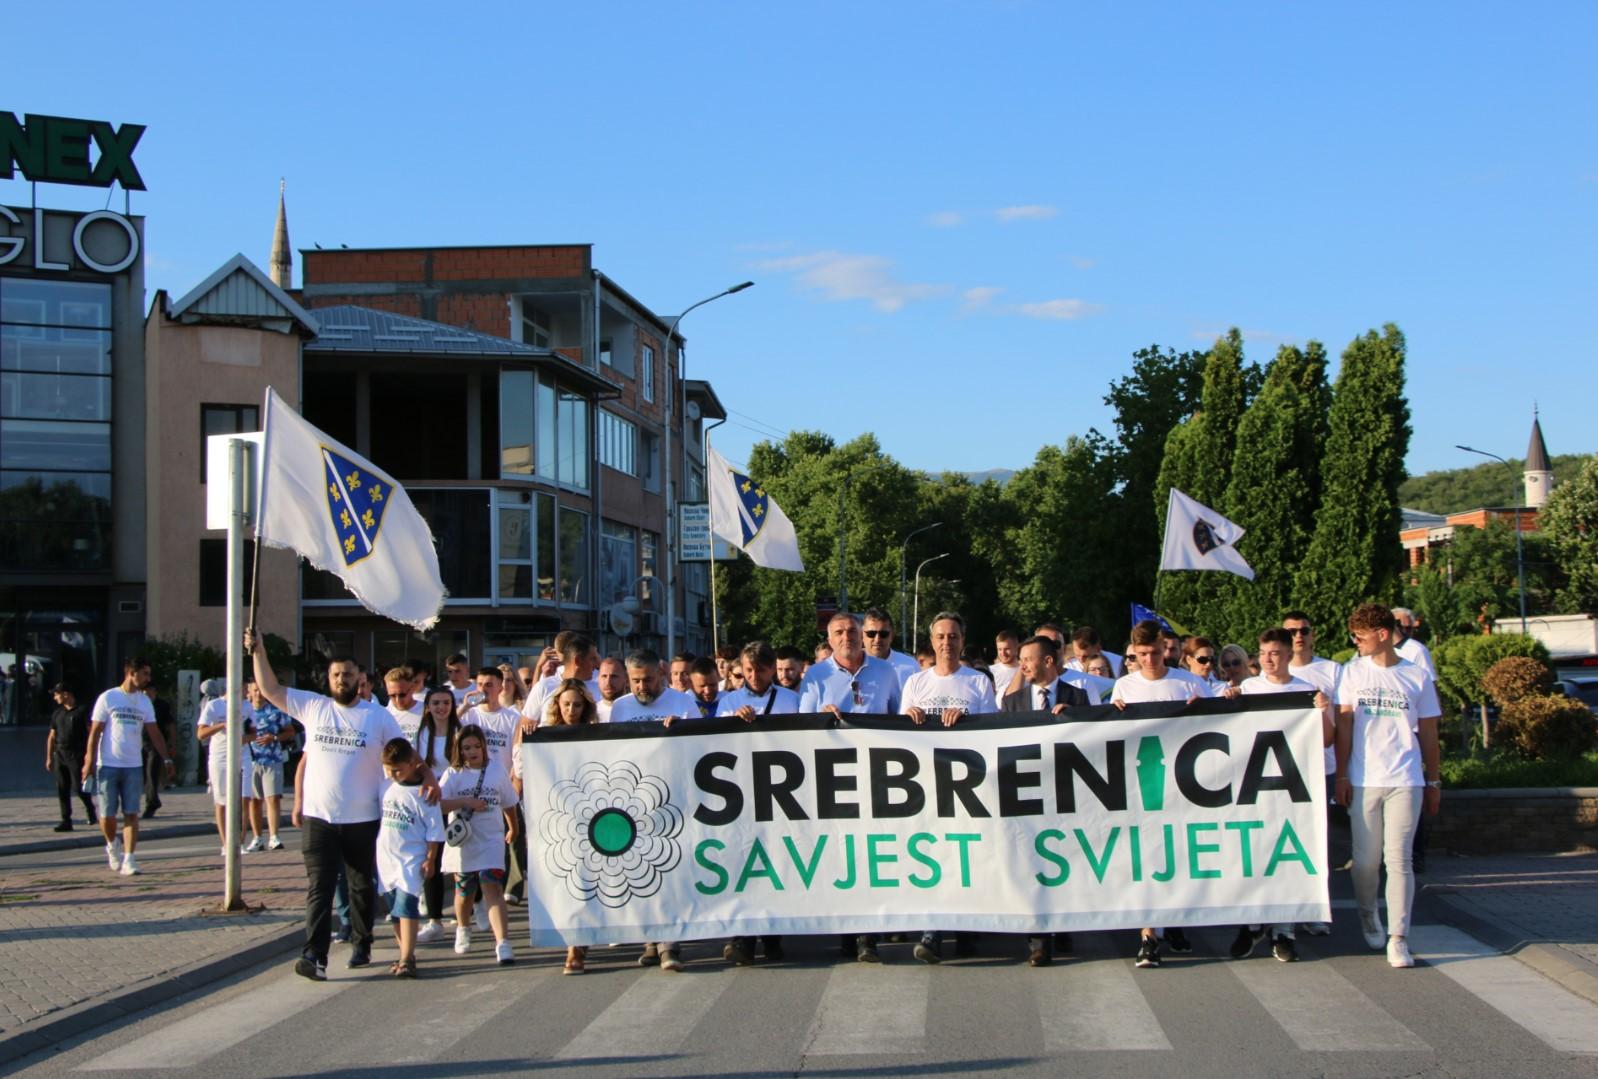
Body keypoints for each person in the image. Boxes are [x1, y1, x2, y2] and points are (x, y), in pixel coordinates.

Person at [247, 629, 438, 981]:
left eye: (347, 674)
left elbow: (404, 755)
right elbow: (271, 689)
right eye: (335, 674)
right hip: (320, 817)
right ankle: (314, 956)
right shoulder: (314, 706)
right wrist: (258, 652)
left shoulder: (377, 716)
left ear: (359, 679)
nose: (341, 679)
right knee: (319, 887)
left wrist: (427, 777)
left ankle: (362, 943)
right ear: (329, 678)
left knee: (360, 885)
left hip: (362, 818)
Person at [1336, 603, 1442, 970]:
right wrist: (1342, 775)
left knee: (1399, 860)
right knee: (1365, 862)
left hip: (1406, 778)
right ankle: (1369, 914)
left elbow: (1429, 731)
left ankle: (1399, 937)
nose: (1356, 643)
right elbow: (1345, 726)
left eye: (1360, 637)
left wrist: (1434, 781)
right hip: (1365, 778)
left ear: (1382, 635)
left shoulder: (1416, 675)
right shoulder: (1351, 672)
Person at [1229, 628, 1334, 963]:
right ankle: (1252, 922)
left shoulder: (1305, 691)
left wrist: (1323, 711)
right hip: (1254, 783)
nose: (1268, 659)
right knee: (1255, 853)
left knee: (1287, 856)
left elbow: (1327, 739)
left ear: (1289, 655)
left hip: (1292, 784)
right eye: (1262, 653)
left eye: (1274, 653)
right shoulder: (1248, 688)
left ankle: (1284, 931)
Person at [1112, 620, 1211, 968]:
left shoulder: (1189, 683)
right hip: (1144, 782)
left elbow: (1221, 724)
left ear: (1165, 648)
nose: (1149, 660)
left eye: (1155, 652)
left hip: (1185, 784)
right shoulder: (1124, 685)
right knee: (1147, 858)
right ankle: (1148, 935)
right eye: (1142, 654)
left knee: (1179, 855)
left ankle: (1175, 921)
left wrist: (1221, 701)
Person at [901, 611, 996, 963]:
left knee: (965, 856)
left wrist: (965, 721)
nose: (946, 643)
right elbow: (900, 732)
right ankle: (933, 929)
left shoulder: (978, 682)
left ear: (962, 639)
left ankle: (967, 925)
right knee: (933, 858)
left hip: (969, 784)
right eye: (941, 636)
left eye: (953, 636)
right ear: (932, 640)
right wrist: (910, 718)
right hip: (927, 784)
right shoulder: (916, 682)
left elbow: (993, 730)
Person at [608, 650, 700, 971]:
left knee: (670, 872)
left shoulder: (683, 703)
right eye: (635, 681)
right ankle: (650, 939)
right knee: (642, 873)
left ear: (661, 674)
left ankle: (670, 945)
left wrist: (681, 732)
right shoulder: (620, 708)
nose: (642, 686)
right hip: (634, 802)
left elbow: (702, 746)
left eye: (648, 679)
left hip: (673, 799)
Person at [1000, 634, 1089, 967]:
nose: (1022, 665)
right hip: (1026, 794)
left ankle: (1063, 923)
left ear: (1048, 661)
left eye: (1028, 659)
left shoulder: (1078, 697)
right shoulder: (1011, 703)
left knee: (1064, 861)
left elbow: (1096, 739)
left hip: (1066, 793)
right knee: (1034, 863)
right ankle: (1039, 939)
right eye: (1021, 659)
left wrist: (1075, 719)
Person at [1283, 608, 1346, 934]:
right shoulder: (1273, 671)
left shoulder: (1332, 670)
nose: (1298, 636)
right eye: (1291, 631)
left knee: (1318, 841)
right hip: (1286, 773)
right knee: (1290, 841)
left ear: (1313, 634)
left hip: (1324, 766)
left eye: (1303, 630)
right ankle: (1290, 908)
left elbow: (1345, 721)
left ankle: (1316, 907)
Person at [82, 657, 174, 876]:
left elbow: (154, 732)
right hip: (109, 764)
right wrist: (89, 761)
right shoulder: (109, 697)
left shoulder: (144, 702)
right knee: (107, 814)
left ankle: (130, 858)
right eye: (145, 674)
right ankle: (112, 844)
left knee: (131, 812)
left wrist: (167, 758)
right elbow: (95, 732)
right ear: (131, 673)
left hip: (133, 765)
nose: (148, 679)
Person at [439, 725, 519, 966]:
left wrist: (513, 827)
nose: (472, 752)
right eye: (466, 748)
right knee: (464, 891)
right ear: (458, 750)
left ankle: (502, 942)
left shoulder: (496, 770)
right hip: (464, 841)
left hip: (491, 839)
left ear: (484, 747)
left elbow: (509, 802)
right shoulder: (453, 774)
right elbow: (441, 804)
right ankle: (463, 927)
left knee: (492, 886)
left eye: (476, 746)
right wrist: (466, 801)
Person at [376, 738, 444, 978]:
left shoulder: (426, 794)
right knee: (396, 910)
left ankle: (407, 958)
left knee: (407, 906)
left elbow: (435, 831)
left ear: (412, 764)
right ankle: (405, 952)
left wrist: (430, 858)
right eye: (389, 769)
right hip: (386, 857)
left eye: (398, 769)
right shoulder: (387, 787)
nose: (393, 774)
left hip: (411, 858)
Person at [411, 686, 460, 944]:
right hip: (431, 805)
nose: (441, 708)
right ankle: (434, 920)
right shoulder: (423, 734)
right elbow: (419, 767)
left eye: (445, 703)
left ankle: (475, 904)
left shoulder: (459, 732)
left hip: (455, 804)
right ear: (428, 707)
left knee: (461, 861)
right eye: (436, 703)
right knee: (433, 861)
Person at [198, 677, 255, 857]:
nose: (247, 693)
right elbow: (201, 733)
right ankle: (226, 844)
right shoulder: (214, 706)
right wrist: (222, 725)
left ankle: (239, 842)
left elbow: (254, 732)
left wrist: (243, 739)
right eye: (244, 688)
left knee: (244, 798)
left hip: (242, 755)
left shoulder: (247, 706)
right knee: (222, 802)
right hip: (220, 757)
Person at [246, 679, 295, 852]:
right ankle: (257, 837)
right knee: (254, 800)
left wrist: (274, 738)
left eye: (260, 690)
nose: (258, 694)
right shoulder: (245, 711)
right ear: (249, 692)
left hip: (272, 759)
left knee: (272, 798)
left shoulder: (275, 710)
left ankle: (274, 836)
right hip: (251, 760)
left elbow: (290, 731)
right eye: (255, 690)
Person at [45, 683, 96, 831]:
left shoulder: (82, 711)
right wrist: (49, 757)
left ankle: (90, 809)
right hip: (60, 754)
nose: (55, 697)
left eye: (57, 694)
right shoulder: (57, 714)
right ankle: (66, 820)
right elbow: (51, 736)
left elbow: (91, 732)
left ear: (66, 694)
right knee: (62, 788)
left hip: (76, 754)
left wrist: (90, 755)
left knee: (78, 787)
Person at [521, 634, 600, 724]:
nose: (597, 664)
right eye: (592, 659)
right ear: (577, 661)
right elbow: (523, 728)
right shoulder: (544, 687)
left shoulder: (599, 689)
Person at [461, 668, 521, 776]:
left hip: (502, 780)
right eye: (480, 684)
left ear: (500, 688)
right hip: (472, 779)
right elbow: (447, 727)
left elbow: (517, 755)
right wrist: (464, 707)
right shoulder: (468, 715)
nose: (483, 689)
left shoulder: (513, 718)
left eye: (489, 685)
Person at [861, 608, 921, 687]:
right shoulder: (850, 666)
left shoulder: (910, 667)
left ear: (892, 635)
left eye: (883, 634)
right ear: (861, 635)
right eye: (871, 633)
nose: (877, 639)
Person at [141, 684, 175, 819]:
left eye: (148, 691)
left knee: (151, 773)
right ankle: (152, 799)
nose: (145, 694)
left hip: (156, 743)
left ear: (153, 691)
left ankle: (151, 803)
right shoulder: (138, 703)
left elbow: (170, 725)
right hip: (140, 742)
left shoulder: (162, 705)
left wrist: (172, 744)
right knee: (144, 775)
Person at [1391, 607, 1436, 678]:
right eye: (1399, 626)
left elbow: (1430, 682)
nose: (1404, 631)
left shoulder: (1417, 651)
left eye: (1408, 628)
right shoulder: (1377, 649)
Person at [384, 667, 424, 743]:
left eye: (402, 695)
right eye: (392, 695)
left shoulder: (427, 711)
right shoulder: (383, 714)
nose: (397, 700)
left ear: (412, 688)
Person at [594, 656, 628, 723]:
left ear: (626, 680)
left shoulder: (637, 709)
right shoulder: (590, 714)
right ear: (598, 679)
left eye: (614, 676)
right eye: (604, 676)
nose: (608, 682)